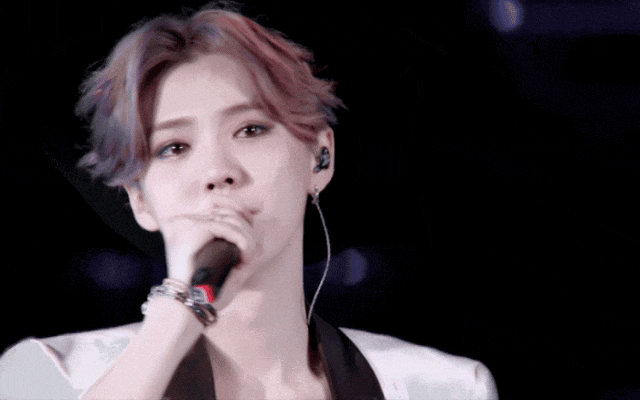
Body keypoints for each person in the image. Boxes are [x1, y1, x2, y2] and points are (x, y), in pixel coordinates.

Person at [0, 4, 498, 399]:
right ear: (139, 201)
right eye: (174, 147)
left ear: (320, 158)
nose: (218, 171)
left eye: (251, 129)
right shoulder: (50, 374)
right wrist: (183, 308)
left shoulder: (443, 388)